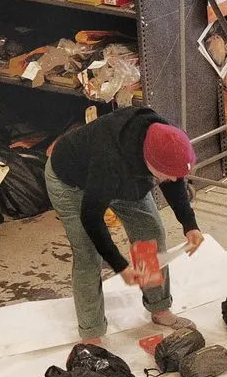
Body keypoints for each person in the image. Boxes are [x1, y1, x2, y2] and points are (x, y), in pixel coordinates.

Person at [45, 107, 205, 341]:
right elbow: (91, 218)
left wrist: (190, 224)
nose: (172, 179)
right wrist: (120, 265)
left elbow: (174, 179)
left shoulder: (166, 138)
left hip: (127, 176)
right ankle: (92, 334)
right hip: (72, 183)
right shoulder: (109, 161)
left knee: (150, 233)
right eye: (167, 174)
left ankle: (159, 308)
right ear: (150, 162)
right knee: (88, 255)